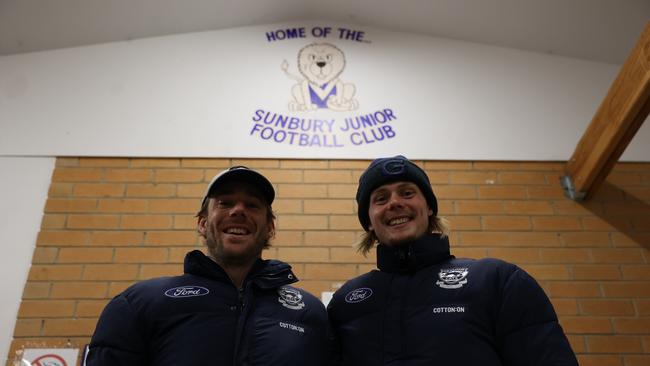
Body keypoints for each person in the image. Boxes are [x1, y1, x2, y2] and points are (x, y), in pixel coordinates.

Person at [327, 156, 578, 365]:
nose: (394, 203)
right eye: (380, 198)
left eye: (407, 193)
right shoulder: (347, 301)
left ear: (429, 207)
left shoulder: (496, 280)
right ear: (369, 221)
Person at [87, 166, 329, 365]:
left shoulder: (310, 311)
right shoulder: (139, 303)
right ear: (202, 223)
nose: (238, 211)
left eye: (252, 205)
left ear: (270, 227)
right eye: (225, 203)